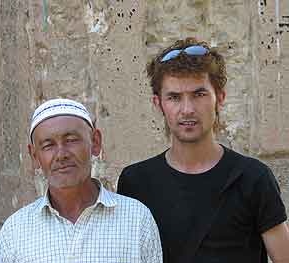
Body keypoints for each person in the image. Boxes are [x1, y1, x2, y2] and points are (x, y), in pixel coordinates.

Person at [117, 37, 289, 263]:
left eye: (199, 94)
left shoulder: (253, 178)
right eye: (174, 97)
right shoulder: (136, 182)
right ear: (158, 104)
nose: (187, 109)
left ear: (220, 98)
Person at [0, 98, 162, 263]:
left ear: (95, 142)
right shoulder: (15, 231)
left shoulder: (137, 220)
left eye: (71, 140)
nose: (61, 155)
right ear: (35, 156)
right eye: (48, 145)